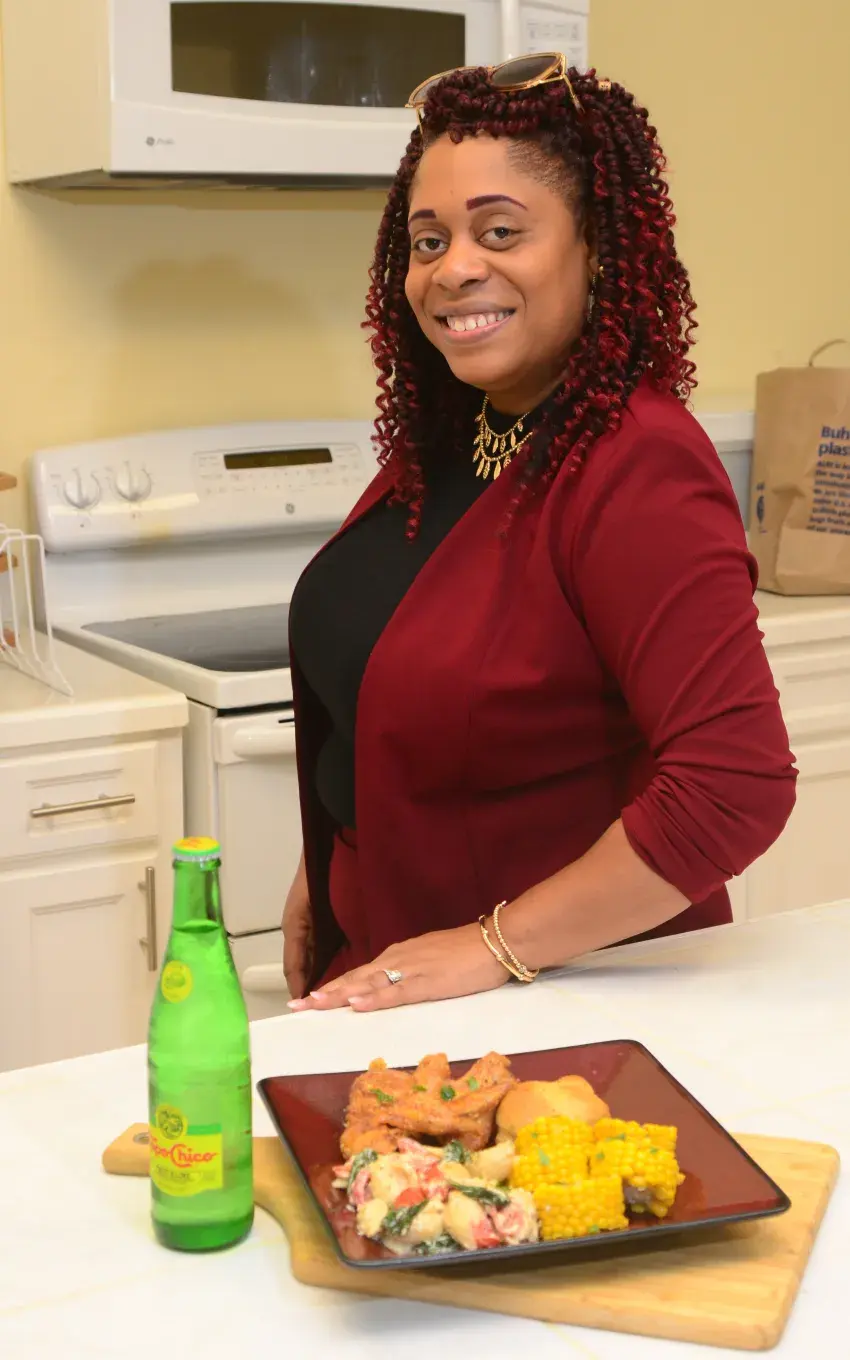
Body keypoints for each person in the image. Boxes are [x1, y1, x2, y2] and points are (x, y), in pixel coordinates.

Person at [283, 54, 797, 1014]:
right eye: (428, 241)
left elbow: (735, 785)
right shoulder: (462, 434)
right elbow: (398, 704)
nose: (454, 268)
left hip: (568, 1005)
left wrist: (492, 947)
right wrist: (332, 860)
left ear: (597, 246)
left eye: (500, 231)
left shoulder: (637, 463)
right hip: (399, 978)